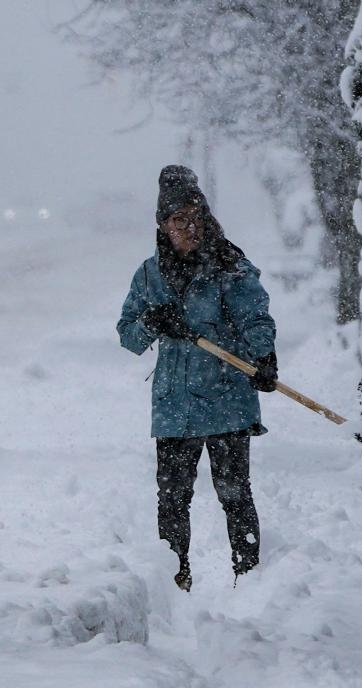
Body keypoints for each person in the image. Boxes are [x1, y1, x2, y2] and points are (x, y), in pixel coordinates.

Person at [117, 165, 279, 592]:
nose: (190, 228)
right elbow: (127, 336)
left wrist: (264, 357)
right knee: (172, 500)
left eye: (196, 217)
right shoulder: (149, 276)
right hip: (175, 408)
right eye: (178, 221)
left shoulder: (231, 267)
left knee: (235, 496)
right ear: (163, 226)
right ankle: (175, 581)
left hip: (227, 399)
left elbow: (255, 318)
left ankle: (251, 580)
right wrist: (153, 320)